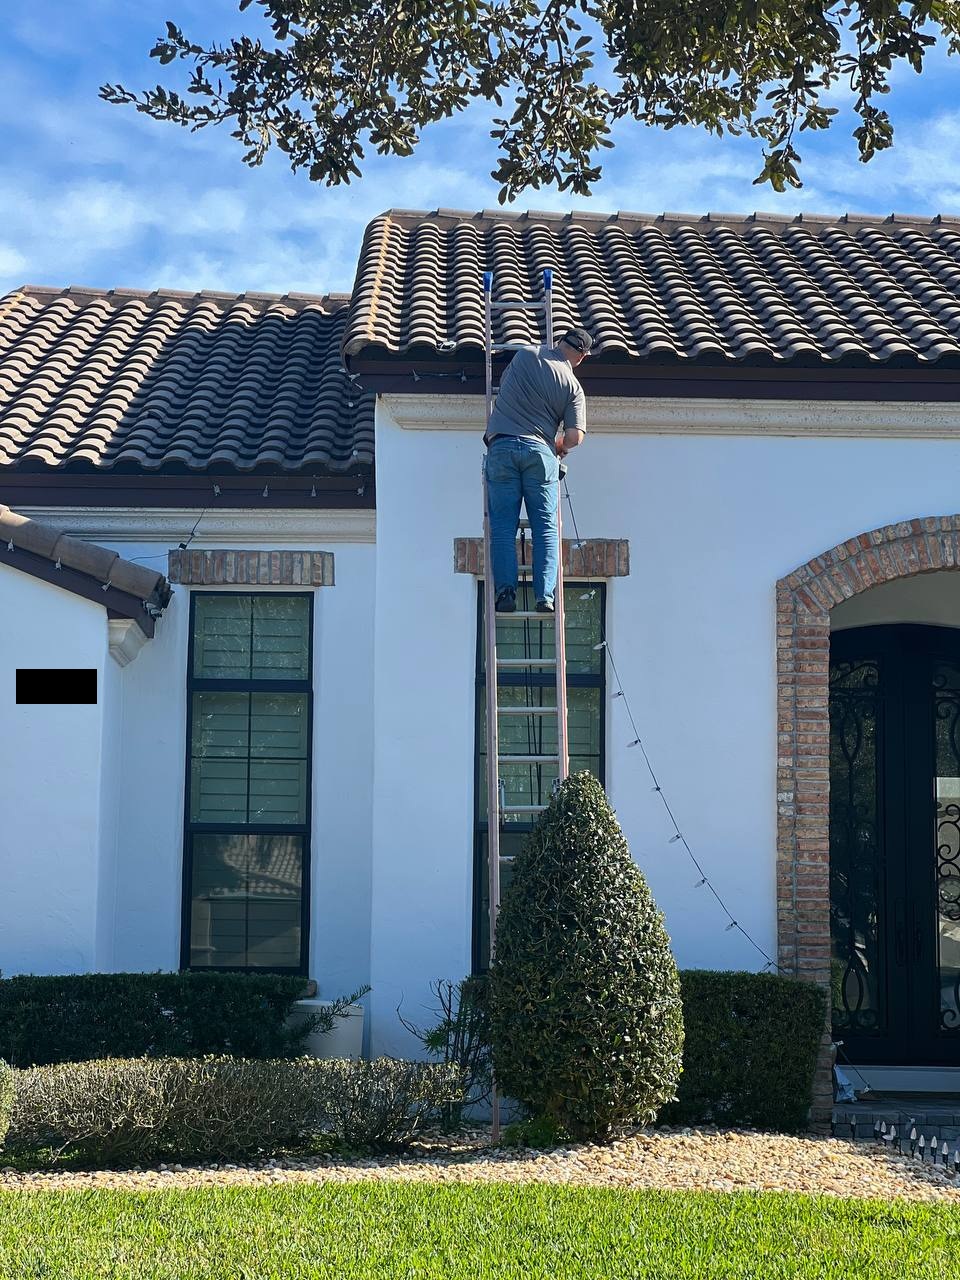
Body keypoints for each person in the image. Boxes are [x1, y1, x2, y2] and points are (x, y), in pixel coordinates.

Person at [483, 327, 593, 613]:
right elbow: (574, 437)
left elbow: (504, 389)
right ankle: (545, 596)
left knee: (503, 528)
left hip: (502, 448)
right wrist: (557, 445)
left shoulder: (525, 355)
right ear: (582, 356)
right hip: (540, 455)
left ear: (559, 342)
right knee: (545, 528)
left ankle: (505, 593)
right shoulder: (573, 387)